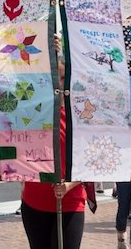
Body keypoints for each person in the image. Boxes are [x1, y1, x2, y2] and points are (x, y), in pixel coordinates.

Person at [20, 34, 86, 249]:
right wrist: (46, 47)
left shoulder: (80, 115)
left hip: (70, 202)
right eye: (52, 79)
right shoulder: (32, 112)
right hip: (34, 201)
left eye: (61, 78)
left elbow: (92, 157)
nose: (57, 85)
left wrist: (69, 184)